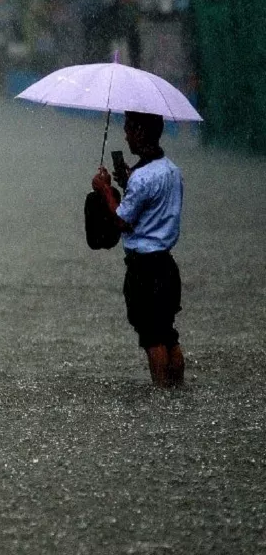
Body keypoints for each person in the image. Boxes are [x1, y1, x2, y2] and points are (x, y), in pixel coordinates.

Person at [91, 111, 186, 388]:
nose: (126, 135)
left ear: (142, 133)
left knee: (151, 336)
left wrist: (106, 190)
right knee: (168, 333)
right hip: (167, 266)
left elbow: (122, 220)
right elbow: (153, 202)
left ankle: (160, 396)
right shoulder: (171, 170)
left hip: (144, 267)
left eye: (130, 129)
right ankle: (177, 391)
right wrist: (128, 182)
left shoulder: (142, 179)